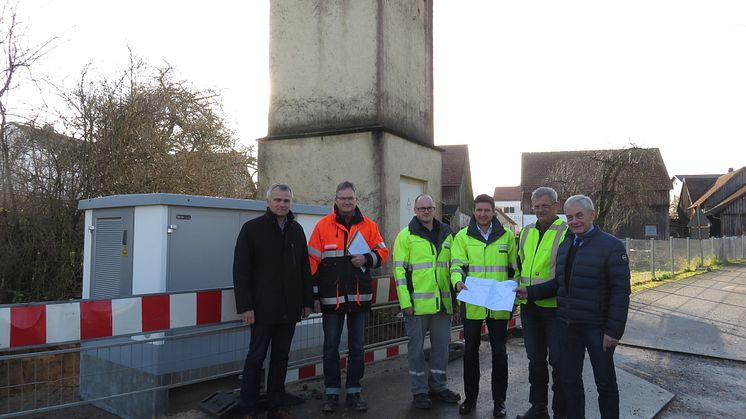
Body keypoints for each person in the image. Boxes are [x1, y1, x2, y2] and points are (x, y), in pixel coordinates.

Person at [516, 194, 630, 419]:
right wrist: (530, 292)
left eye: (579, 216)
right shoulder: (568, 244)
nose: (574, 221)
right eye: (570, 217)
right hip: (568, 325)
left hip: (597, 327)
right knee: (570, 381)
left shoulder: (611, 246)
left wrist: (613, 331)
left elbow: (620, 292)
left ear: (592, 214)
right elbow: (560, 283)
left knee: (605, 382)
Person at [233, 183, 314, 419]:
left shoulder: (296, 230)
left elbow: (304, 269)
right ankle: (247, 408)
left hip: (289, 308)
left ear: (291, 203)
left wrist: (307, 301)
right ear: (268, 202)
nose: (282, 204)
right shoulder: (252, 229)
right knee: (256, 358)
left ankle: (276, 405)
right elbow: (241, 270)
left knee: (281, 357)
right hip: (260, 308)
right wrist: (245, 306)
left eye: (286, 201)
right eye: (277, 200)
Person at [307, 181, 389, 413]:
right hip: (331, 298)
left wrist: (367, 258)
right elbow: (312, 262)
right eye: (342, 198)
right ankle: (331, 392)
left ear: (356, 200)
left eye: (350, 198)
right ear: (335, 199)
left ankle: (354, 390)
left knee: (357, 347)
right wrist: (312, 295)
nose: (346, 202)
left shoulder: (369, 226)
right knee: (330, 347)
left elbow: (383, 252)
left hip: (359, 298)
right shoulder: (322, 226)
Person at [451, 194, 518, 418]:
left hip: (498, 304)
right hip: (473, 302)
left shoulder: (507, 236)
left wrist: (513, 297)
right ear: (474, 211)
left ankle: (500, 401)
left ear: (493, 211)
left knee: (499, 352)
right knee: (470, 352)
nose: (482, 214)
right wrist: (457, 281)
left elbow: (514, 269)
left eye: (486, 210)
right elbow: (457, 265)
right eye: (479, 210)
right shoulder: (462, 237)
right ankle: (470, 399)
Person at [393, 194, 461, 410]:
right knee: (416, 351)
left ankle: (438, 387)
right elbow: (399, 272)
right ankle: (420, 391)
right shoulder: (405, 236)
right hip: (416, 305)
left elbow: (452, 267)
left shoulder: (447, 234)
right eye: (421, 208)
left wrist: (455, 293)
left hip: (442, 303)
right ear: (415, 210)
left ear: (434, 210)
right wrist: (405, 302)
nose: (426, 211)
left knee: (441, 348)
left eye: (429, 208)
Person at [516, 187, 568, 419]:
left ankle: (560, 411)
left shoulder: (567, 231)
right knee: (535, 361)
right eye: (536, 206)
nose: (539, 210)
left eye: (544, 206)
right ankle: (538, 408)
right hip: (529, 309)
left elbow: (564, 277)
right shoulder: (526, 232)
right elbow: (519, 266)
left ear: (556, 206)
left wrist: (531, 291)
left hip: (555, 309)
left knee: (558, 362)